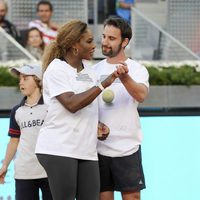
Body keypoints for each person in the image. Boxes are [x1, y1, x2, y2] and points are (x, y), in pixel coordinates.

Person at [35, 20, 128, 200]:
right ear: (74, 46)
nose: (94, 45)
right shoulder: (56, 69)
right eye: (89, 41)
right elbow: (72, 104)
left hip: (86, 149)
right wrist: (104, 83)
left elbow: (86, 105)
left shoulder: (90, 71)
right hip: (59, 148)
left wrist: (97, 125)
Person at [93, 17, 149, 200]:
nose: (105, 42)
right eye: (104, 36)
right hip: (98, 149)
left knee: (132, 197)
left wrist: (124, 78)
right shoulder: (93, 70)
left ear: (125, 42)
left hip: (127, 147)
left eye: (111, 38)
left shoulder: (137, 69)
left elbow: (141, 95)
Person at [0, 64, 53, 200]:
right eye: (20, 79)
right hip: (24, 172)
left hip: (50, 172)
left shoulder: (52, 107)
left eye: (25, 78)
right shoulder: (16, 111)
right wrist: (5, 165)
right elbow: (13, 141)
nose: (20, 82)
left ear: (37, 80)